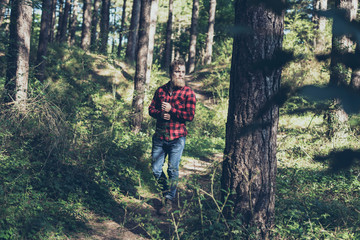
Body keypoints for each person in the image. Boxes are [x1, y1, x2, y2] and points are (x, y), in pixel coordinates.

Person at [148, 59, 196, 215]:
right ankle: (166, 191)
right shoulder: (161, 91)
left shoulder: (188, 92)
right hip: (160, 137)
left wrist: (172, 109)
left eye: (182, 71)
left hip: (177, 137)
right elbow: (151, 109)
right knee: (156, 169)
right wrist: (160, 113)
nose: (180, 74)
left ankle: (169, 200)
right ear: (171, 73)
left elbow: (190, 116)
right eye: (177, 71)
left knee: (172, 169)